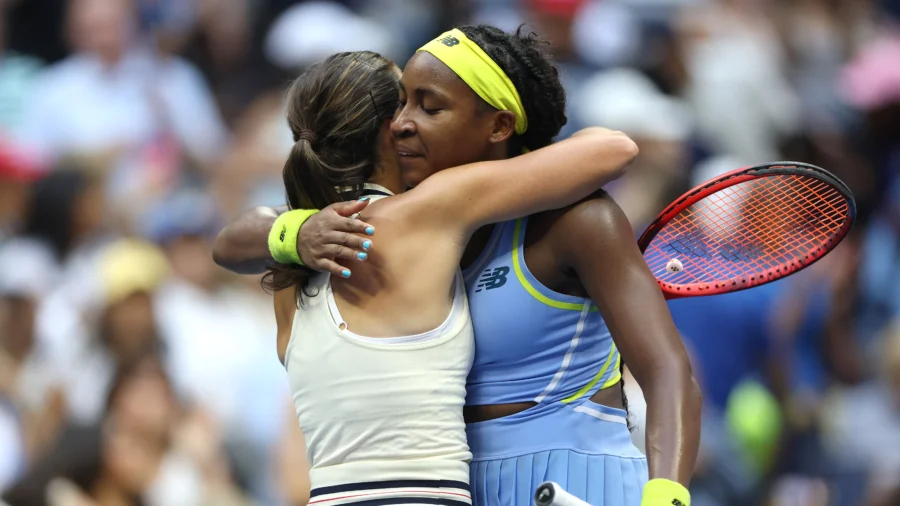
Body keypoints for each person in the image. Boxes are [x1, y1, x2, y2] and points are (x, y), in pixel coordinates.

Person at [214, 26, 701, 506]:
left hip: (584, 480)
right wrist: (296, 232)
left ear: (498, 125)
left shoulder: (580, 220)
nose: (402, 123)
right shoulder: (407, 228)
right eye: (399, 104)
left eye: (429, 107)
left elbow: (667, 372)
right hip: (464, 491)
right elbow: (235, 240)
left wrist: (668, 497)